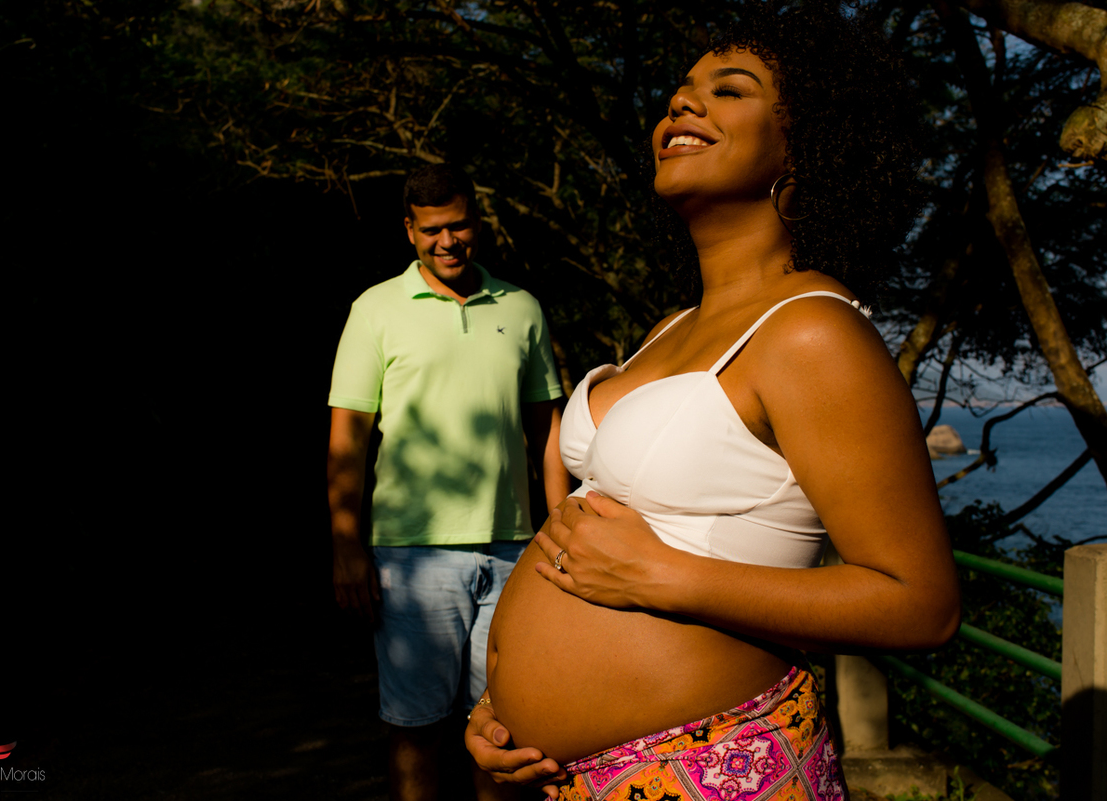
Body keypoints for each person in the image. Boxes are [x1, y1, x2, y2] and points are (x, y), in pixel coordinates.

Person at [464, 5, 961, 800]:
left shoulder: (811, 333)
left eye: (728, 91)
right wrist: (500, 705)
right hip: (556, 775)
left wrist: (669, 577)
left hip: (711, 768)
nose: (681, 105)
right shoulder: (673, 327)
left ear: (804, 146)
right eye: (679, 92)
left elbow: (921, 603)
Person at [327, 162, 569, 801]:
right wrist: (346, 546)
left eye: (459, 226)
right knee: (416, 731)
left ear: (475, 221)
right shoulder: (375, 309)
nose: (448, 242)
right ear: (409, 230)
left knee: (504, 731)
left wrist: (558, 533)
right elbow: (347, 440)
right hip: (411, 558)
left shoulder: (521, 308)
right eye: (432, 230)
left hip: (516, 552)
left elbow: (549, 432)